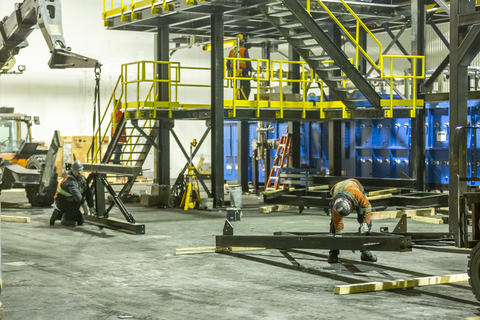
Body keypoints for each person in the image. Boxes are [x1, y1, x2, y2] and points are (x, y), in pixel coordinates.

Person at [328, 178, 377, 263]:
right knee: (334, 224)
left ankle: (365, 252)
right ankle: (333, 253)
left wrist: (365, 224)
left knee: (364, 219)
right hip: (338, 189)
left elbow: (367, 207)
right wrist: (346, 242)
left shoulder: (357, 194)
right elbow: (338, 228)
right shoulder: (336, 207)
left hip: (354, 186)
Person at [49, 160, 96, 227]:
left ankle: (58, 214)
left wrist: (91, 206)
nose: (79, 172)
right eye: (77, 171)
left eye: (80, 170)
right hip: (62, 201)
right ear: (73, 170)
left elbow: (88, 193)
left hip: (70, 201)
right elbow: (78, 196)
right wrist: (83, 205)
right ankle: (65, 220)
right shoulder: (70, 181)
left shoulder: (82, 179)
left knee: (80, 221)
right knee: (76, 202)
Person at [111, 100, 127, 164]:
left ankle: (116, 159)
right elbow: (124, 118)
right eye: (120, 104)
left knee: (117, 147)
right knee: (118, 147)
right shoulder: (118, 112)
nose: (121, 105)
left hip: (114, 131)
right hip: (119, 132)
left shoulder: (113, 112)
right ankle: (116, 160)